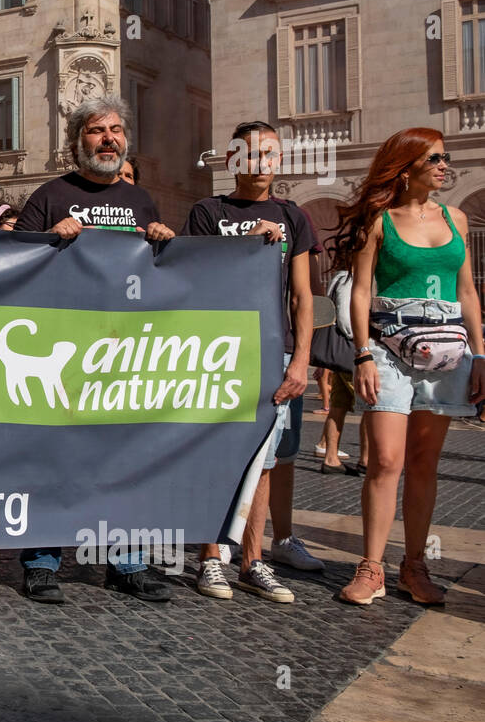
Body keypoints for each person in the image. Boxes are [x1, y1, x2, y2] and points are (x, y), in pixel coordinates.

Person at [12, 95, 175, 603]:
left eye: (116, 130)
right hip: (63, 349)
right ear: (76, 142)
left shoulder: (142, 200)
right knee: (54, 460)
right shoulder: (50, 195)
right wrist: (46, 238)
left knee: (123, 459)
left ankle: (126, 564)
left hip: (124, 352)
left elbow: (159, 276)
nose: (109, 138)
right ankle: (41, 562)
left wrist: (164, 240)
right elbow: (13, 263)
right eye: (96, 131)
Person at [335, 128, 484, 604]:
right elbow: (360, 292)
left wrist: (480, 355)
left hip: (445, 352)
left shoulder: (456, 219)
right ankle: (371, 568)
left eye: (446, 158)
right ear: (407, 167)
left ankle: (413, 568)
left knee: (423, 464)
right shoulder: (379, 220)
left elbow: (466, 293)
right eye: (435, 158)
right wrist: (362, 353)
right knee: (385, 461)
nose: (445, 166)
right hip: (386, 350)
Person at [182, 120, 322, 604]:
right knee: (218, 451)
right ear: (231, 159)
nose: (260, 162)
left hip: (274, 349)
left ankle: (254, 560)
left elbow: (303, 297)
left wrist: (301, 360)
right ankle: (210, 558)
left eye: (269, 153)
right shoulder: (207, 211)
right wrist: (243, 245)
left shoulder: (294, 217)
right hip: (218, 350)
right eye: (250, 153)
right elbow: (195, 278)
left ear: (279, 160)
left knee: (264, 462)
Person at [317, 262, 367, 475]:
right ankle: (366, 459)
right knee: (371, 405)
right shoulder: (349, 278)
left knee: (339, 405)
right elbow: (347, 320)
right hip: (353, 353)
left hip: (341, 354)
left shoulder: (339, 277)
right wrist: (361, 342)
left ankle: (331, 457)